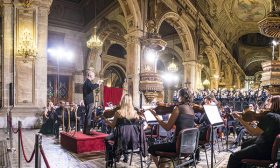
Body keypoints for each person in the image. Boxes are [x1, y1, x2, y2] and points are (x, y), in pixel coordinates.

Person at [227, 96, 280, 168]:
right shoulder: (276, 115)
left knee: (233, 157)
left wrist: (239, 118)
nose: (266, 105)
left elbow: (254, 132)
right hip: (268, 146)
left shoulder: (270, 116)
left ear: (274, 104)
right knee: (244, 144)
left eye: (268, 103)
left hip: (263, 149)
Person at [148, 87, 195, 166]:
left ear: (182, 97)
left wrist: (155, 115)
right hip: (189, 146)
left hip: (177, 146)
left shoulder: (178, 108)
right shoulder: (191, 110)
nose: (177, 98)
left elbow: (167, 128)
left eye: (178, 96)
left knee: (151, 148)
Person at [104, 94, 147, 166]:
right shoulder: (135, 113)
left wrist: (107, 121)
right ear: (131, 102)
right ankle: (125, 155)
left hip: (121, 140)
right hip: (133, 140)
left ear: (122, 101)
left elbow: (113, 125)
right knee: (125, 137)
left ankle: (110, 159)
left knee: (106, 139)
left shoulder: (118, 112)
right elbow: (141, 125)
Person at [83, 70, 103, 135]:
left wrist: (97, 84)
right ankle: (87, 131)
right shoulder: (88, 82)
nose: (94, 77)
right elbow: (92, 87)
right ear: (90, 75)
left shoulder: (87, 82)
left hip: (87, 101)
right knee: (88, 116)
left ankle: (85, 131)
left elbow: (92, 87)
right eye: (94, 75)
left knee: (87, 116)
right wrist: (98, 83)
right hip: (89, 101)